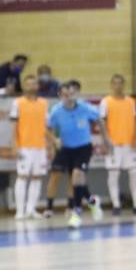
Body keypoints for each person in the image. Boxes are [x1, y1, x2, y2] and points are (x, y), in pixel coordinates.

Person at [46, 80, 103, 229]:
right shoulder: (55, 111)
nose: (68, 97)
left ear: (75, 94)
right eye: (65, 95)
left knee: (77, 176)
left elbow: (99, 120)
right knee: (78, 182)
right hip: (66, 149)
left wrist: (106, 141)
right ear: (60, 96)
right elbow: (48, 129)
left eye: (71, 94)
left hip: (83, 148)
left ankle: (76, 213)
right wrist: (54, 140)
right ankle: (92, 202)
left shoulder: (85, 108)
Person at [100, 74, 136, 216]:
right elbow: (102, 124)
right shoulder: (105, 102)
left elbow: (135, 122)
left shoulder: (131, 101)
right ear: (111, 85)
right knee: (114, 174)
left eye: (120, 83)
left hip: (129, 144)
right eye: (115, 83)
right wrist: (106, 142)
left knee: (134, 173)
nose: (118, 86)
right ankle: (116, 205)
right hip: (114, 144)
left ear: (124, 85)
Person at [10, 74, 49, 220]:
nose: (31, 87)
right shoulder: (18, 103)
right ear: (24, 86)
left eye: (34, 84)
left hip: (40, 146)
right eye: (28, 84)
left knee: (37, 177)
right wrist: (15, 144)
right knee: (23, 176)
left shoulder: (44, 103)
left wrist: (50, 144)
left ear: (37, 86)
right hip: (24, 146)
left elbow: (46, 126)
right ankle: (19, 211)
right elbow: (13, 125)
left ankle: (31, 209)